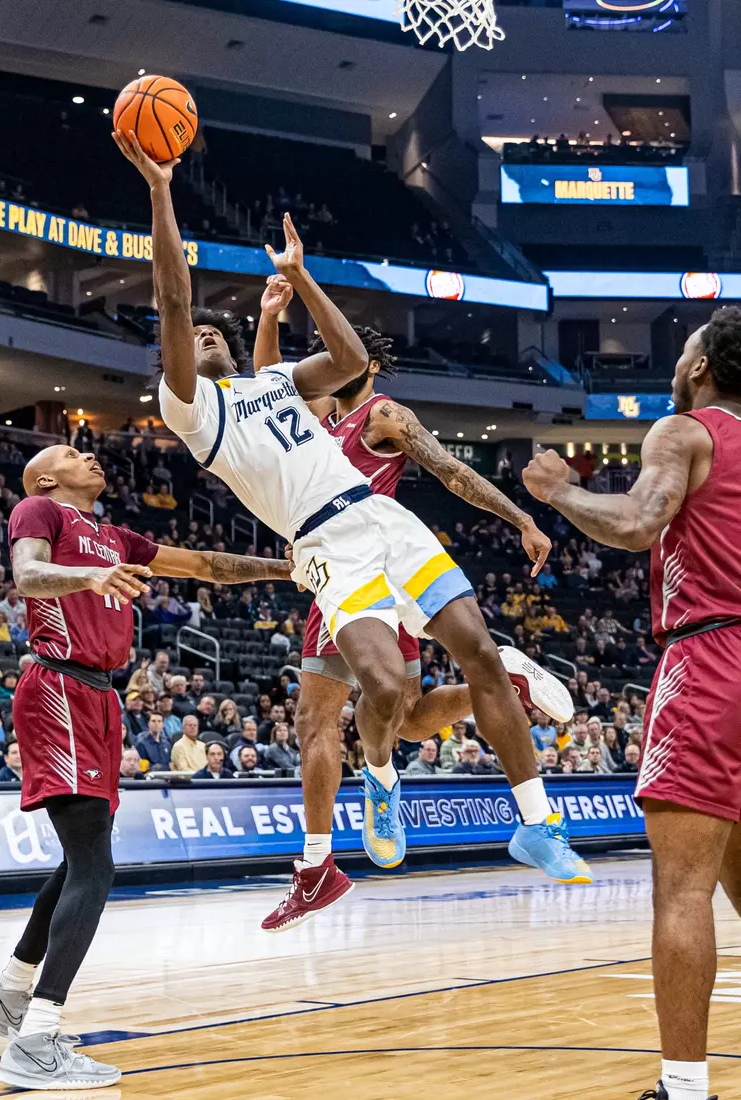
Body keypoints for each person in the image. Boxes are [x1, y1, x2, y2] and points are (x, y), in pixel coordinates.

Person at [114, 131, 587, 935]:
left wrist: (302, 278)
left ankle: (534, 823)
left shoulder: (273, 381)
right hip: (324, 547)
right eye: (191, 340)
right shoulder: (190, 408)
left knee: (477, 653)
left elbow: (345, 355)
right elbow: (172, 295)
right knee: (388, 691)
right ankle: (367, 796)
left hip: (383, 521)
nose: (200, 335)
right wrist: (161, 189)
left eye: (209, 332)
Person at [0, 442, 290, 1090]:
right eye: (70, 450)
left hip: (97, 695)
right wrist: (85, 577)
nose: (88, 455)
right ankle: (36, 1037)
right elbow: (27, 576)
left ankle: (10, 991)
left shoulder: (112, 535)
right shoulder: (39, 511)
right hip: (59, 684)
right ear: (46, 475)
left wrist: (284, 569)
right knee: (94, 863)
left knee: (81, 855)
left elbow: (202, 565)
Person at [522, 305, 741, 1100]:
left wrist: (557, 490)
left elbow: (639, 521)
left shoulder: (685, 430)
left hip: (714, 657)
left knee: (681, 890)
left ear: (700, 367)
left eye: (683, 349)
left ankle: (682, 1089)